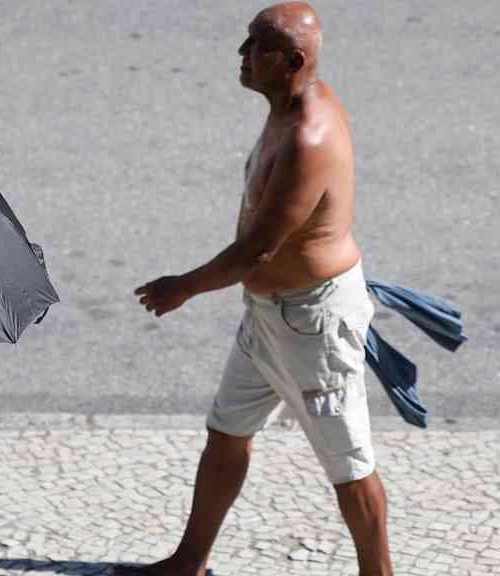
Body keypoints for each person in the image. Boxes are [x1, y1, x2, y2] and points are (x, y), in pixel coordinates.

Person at [125, 3, 393, 575]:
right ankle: (188, 563)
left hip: (312, 325)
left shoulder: (309, 138)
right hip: (269, 314)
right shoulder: (286, 108)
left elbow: (257, 251)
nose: (242, 54)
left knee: (350, 466)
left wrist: (182, 288)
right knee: (227, 431)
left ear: (292, 61)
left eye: (256, 47)